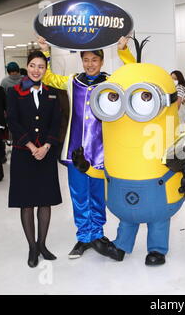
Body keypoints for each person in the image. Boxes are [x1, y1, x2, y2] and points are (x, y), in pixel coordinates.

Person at [38, 36, 136, 260]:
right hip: (76, 151)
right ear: (81, 61)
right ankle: (84, 237)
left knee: (98, 195)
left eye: (94, 60)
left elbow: (133, 74)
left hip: (102, 152)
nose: (90, 64)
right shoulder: (73, 81)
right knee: (79, 195)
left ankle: (97, 235)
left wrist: (123, 50)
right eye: (86, 60)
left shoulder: (112, 82)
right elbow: (49, 77)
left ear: (102, 61)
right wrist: (45, 52)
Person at [7, 50, 62, 268]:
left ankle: (42, 244)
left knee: (45, 201)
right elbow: (13, 121)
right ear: (26, 67)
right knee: (27, 203)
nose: (36, 70)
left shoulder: (52, 93)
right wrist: (32, 146)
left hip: (46, 155)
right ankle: (32, 247)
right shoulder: (14, 91)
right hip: (24, 153)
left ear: (45, 69)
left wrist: (47, 146)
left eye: (41, 66)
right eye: (33, 65)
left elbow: (56, 122)